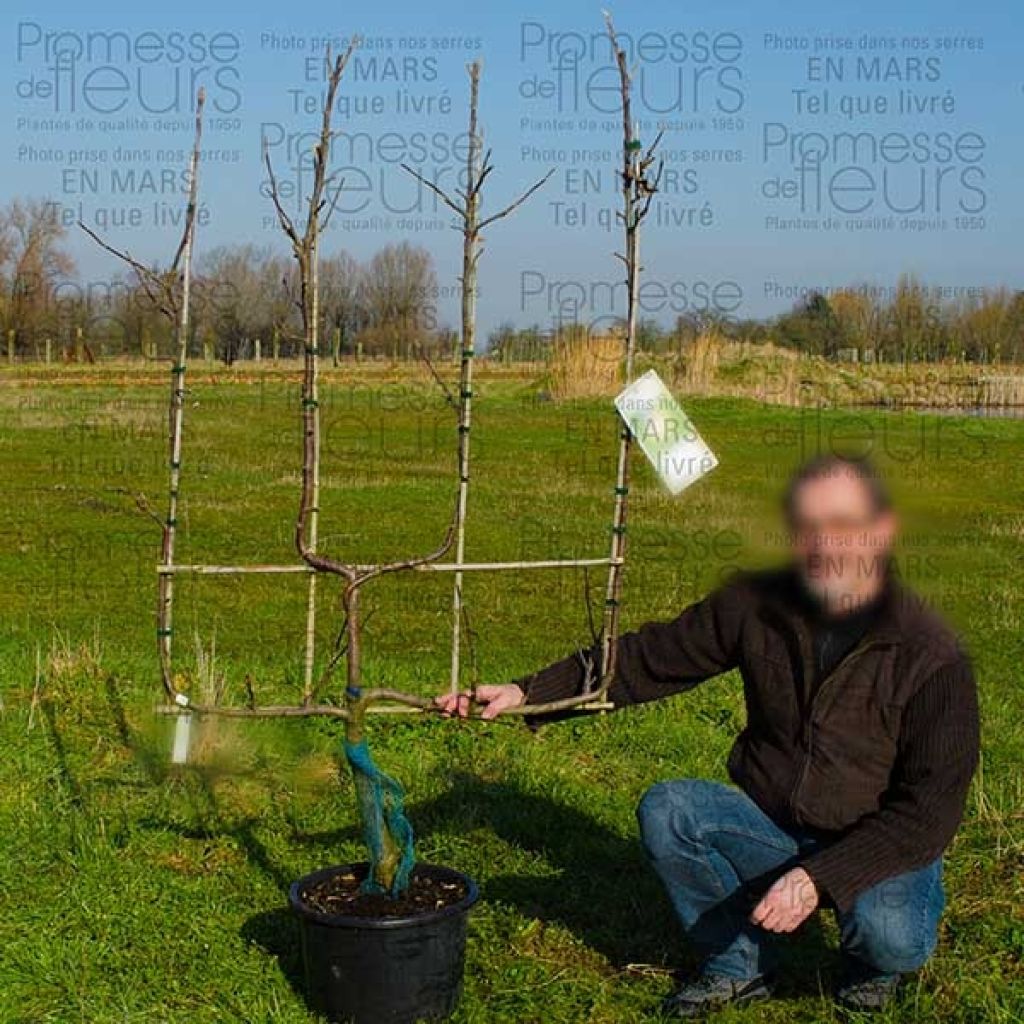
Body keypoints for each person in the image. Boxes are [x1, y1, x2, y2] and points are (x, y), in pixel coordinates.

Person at [434, 453, 980, 1017]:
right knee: (671, 810)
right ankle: (740, 963)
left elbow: (928, 816)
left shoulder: (933, 654)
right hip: (775, 826)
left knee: (891, 934)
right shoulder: (758, 603)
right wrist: (529, 691)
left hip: (878, 840)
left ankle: (871, 967)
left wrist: (817, 880)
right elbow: (651, 658)